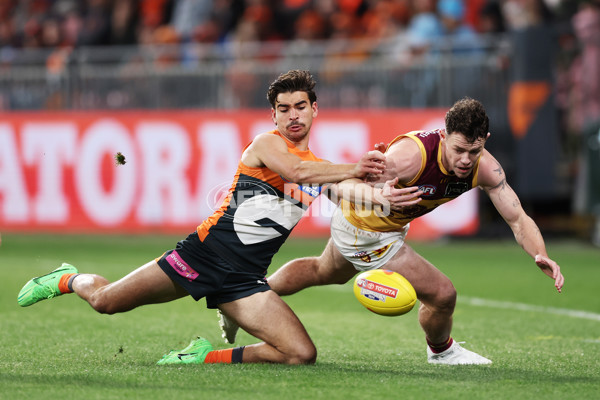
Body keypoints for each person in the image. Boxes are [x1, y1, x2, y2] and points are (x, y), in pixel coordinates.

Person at [17, 70, 421, 365]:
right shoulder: (268, 146)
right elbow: (300, 174)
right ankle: (68, 278)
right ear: (274, 116)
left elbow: (348, 190)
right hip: (201, 257)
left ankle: (204, 356)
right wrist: (354, 167)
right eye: (284, 109)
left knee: (300, 354)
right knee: (106, 302)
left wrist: (380, 193)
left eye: (301, 106)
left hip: (245, 280)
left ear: (315, 109)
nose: (293, 115)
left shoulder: (322, 168)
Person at [218, 97, 565, 365]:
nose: (465, 160)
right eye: (458, 150)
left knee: (323, 272)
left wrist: (541, 253)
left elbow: (517, 217)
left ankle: (245, 296)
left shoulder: (485, 167)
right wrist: (378, 196)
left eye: (474, 151)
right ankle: (442, 352)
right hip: (366, 230)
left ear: (484, 141)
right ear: (444, 135)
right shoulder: (407, 157)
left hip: (382, 228)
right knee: (443, 294)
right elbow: (344, 181)